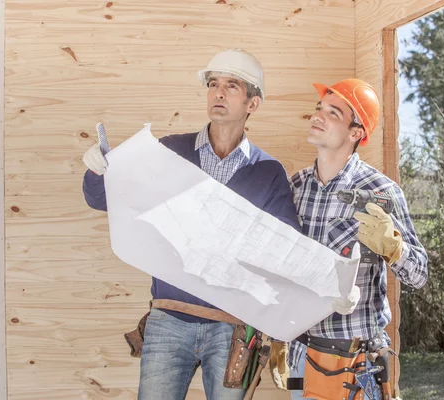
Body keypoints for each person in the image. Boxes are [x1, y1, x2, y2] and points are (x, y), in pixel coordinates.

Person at [82, 49, 304, 400]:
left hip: (233, 327)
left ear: (252, 104)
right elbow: (101, 198)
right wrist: (98, 171)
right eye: (213, 84)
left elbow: (285, 246)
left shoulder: (268, 172)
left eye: (231, 86)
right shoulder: (170, 152)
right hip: (170, 319)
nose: (218, 92)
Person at [269, 78, 429, 400]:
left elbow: (419, 275)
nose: (318, 116)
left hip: (357, 362)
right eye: (318, 109)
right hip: (303, 355)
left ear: (356, 133)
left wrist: (395, 248)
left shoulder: (380, 192)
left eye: (333, 112)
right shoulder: (294, 187)